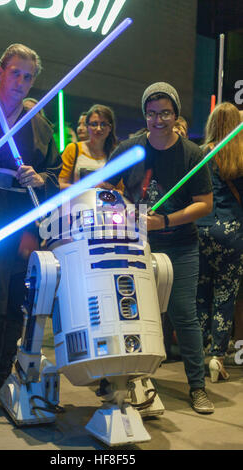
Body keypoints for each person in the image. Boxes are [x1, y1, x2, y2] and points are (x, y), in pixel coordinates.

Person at [102, 82, 215, 414]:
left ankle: (197, 387)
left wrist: (164, 222)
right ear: (145, 116)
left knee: (183, 313)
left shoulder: (192, 154)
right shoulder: (130, 149)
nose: (158, 120)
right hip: (136, 245)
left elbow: (204, 204)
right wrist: (124, 209)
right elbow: (104, 188)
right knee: (129, 312)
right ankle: (121, 381)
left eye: (165, 113)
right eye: (152, 113)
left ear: (175, 114)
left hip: (180, 245)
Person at [0, 43, 62, 397]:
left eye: (28, 76)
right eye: (15, 72)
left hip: (15, 226)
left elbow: (54, 172)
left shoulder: (40, 127)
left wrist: (40, 179)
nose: (21, 81)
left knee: (11, 305)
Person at [196, 102, 243, 381]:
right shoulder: (240, 156)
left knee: (201, 291)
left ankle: (200, 348)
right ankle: (217, 355)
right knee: (226, 293)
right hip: (232, 232)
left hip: (201, 229)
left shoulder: (201, 154)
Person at [59, 104, 121, 189]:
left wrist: (106, 187)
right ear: (87, 126)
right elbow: (59, 184)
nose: (99, 129)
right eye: (94, 124)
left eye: (103, 124)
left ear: (110, 128)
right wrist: (87, 188)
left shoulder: (115, 155)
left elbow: (121, 192)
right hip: (77, 201)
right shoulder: (73, 149)